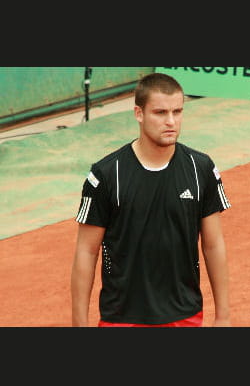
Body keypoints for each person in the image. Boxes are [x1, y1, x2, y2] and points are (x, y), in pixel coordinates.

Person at [71, 72, 232, 327]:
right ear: (139, 113)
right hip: (123, 319)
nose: (171, 121)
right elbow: (86, 251)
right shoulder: (106, 175)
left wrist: (223, 316)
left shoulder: (200, 169)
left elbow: (213, 245)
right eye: (160, 113)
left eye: (177, 112)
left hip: (184, 315)